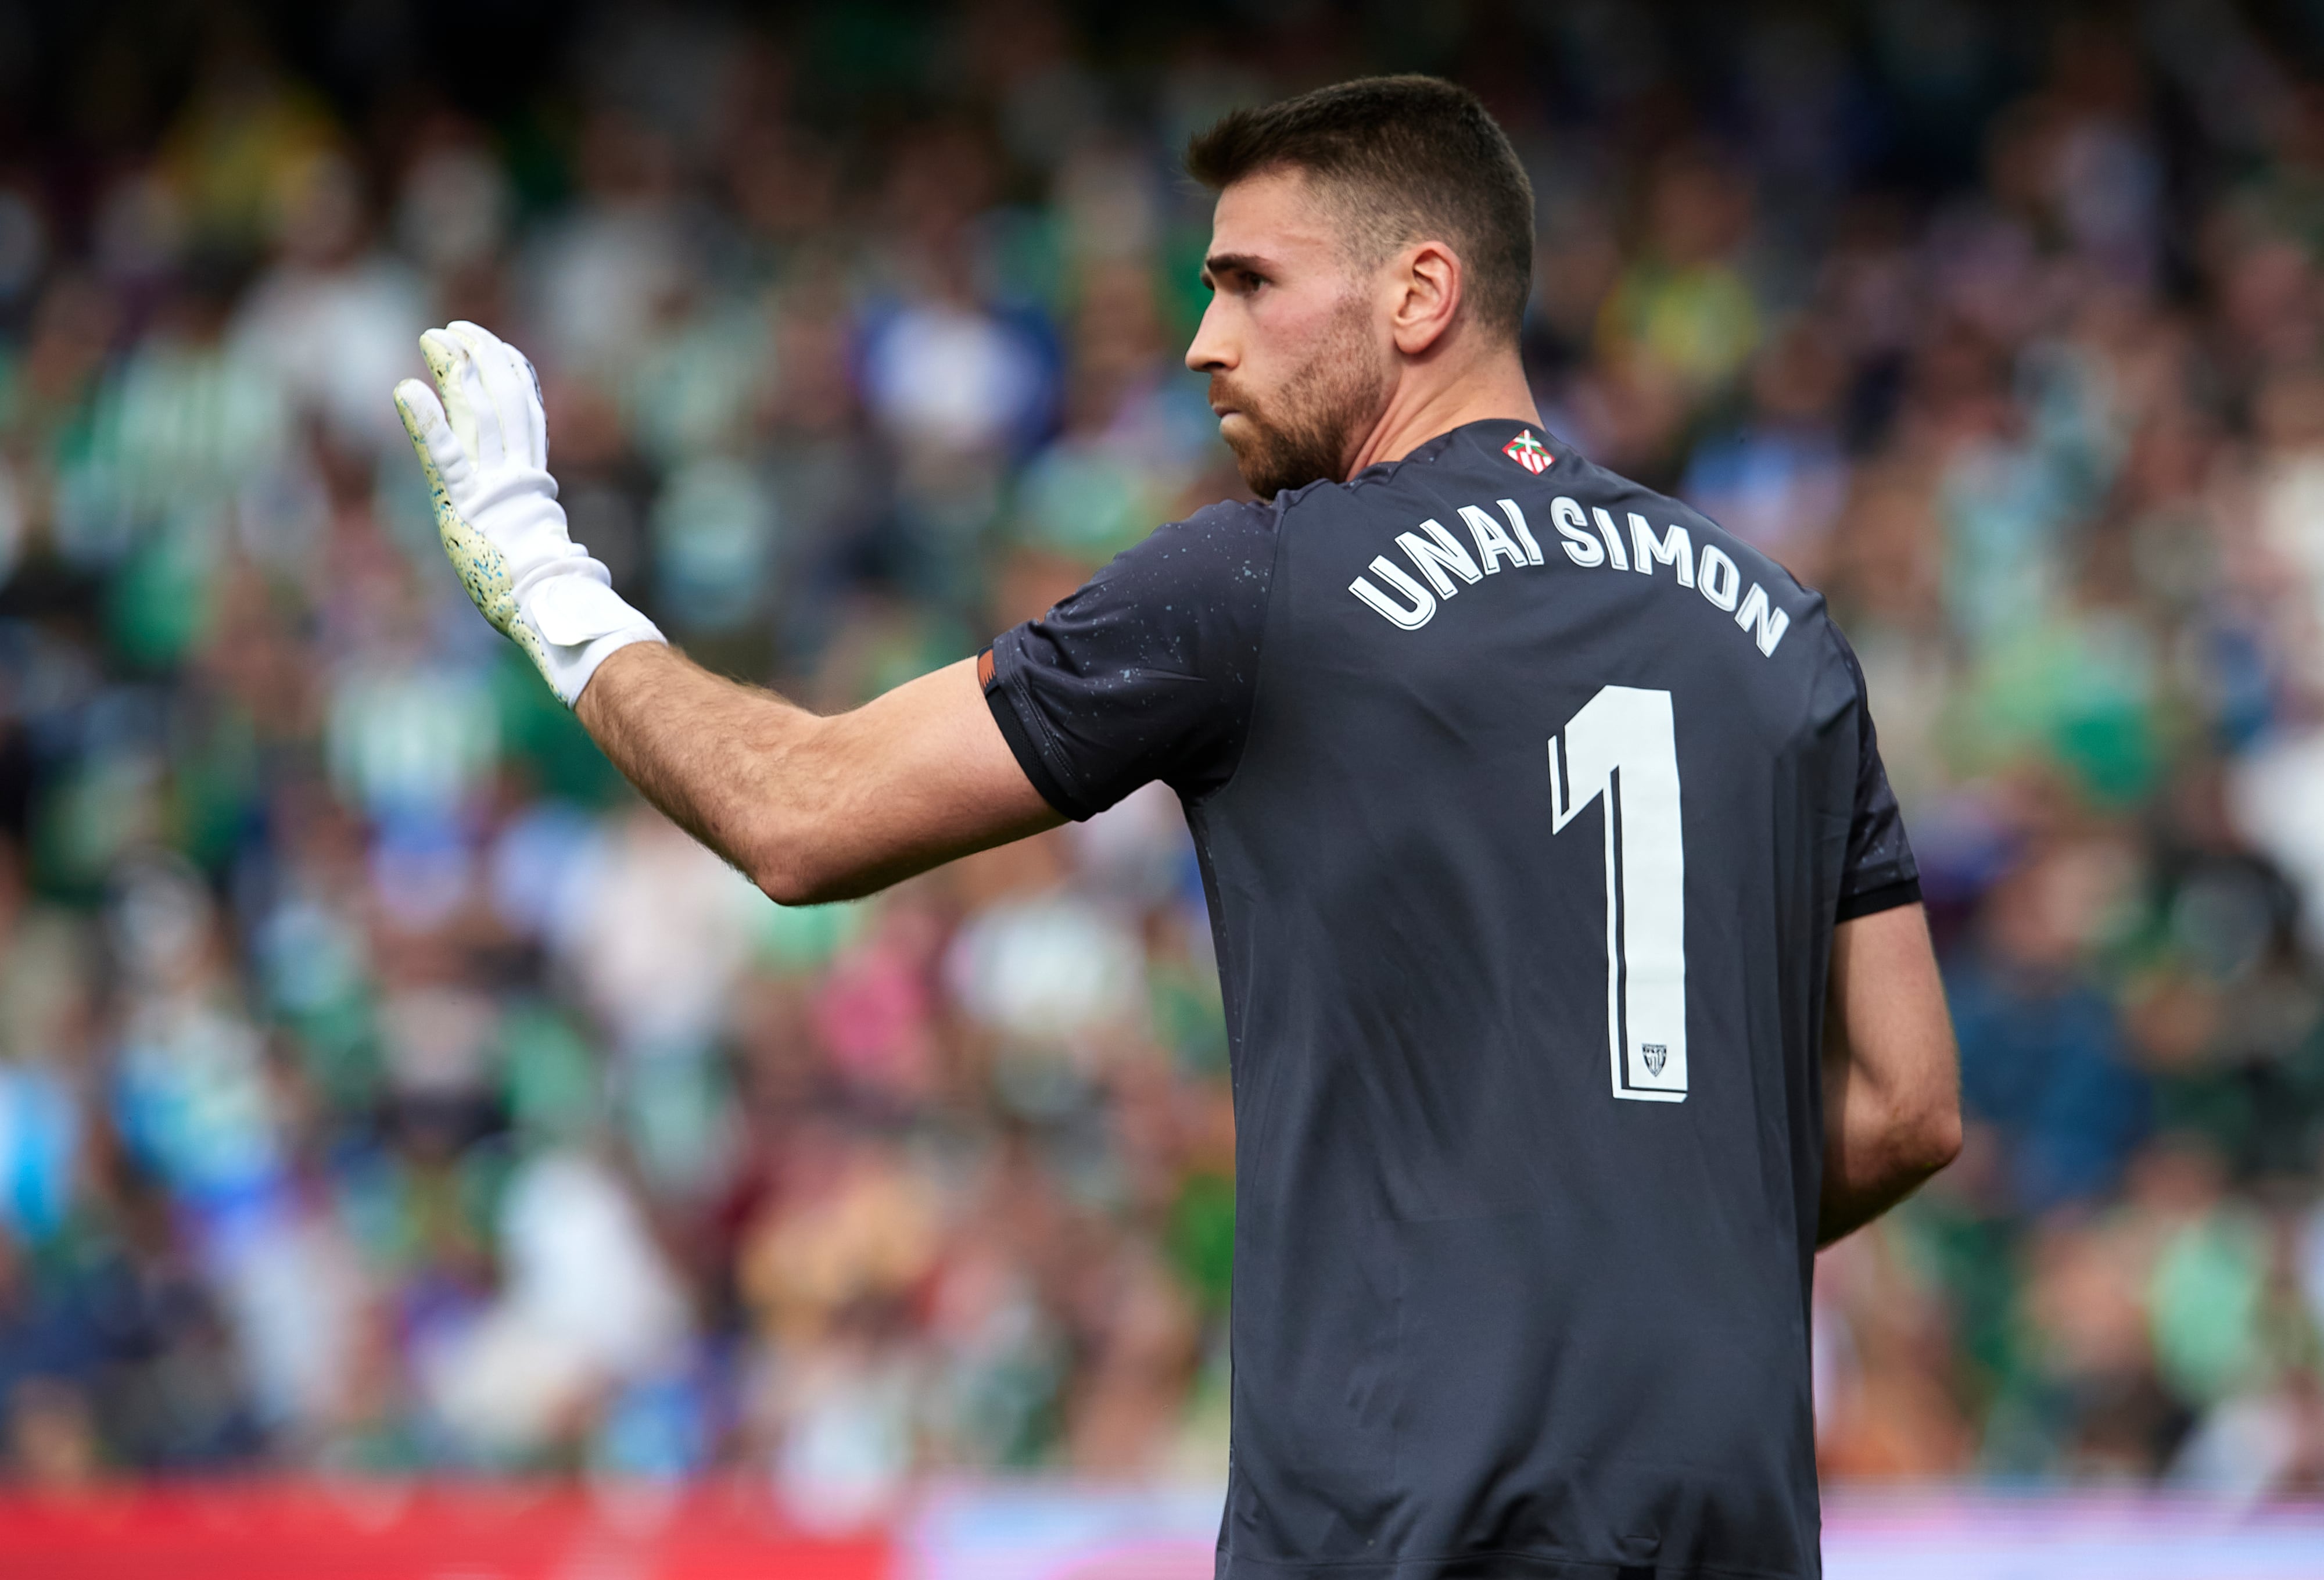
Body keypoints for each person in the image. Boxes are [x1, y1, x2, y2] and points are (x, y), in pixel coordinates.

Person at [393, 74, 1960, 1580]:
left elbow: (800, 815)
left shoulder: (1265, 581)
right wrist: (1637, 1210)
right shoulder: (1784, 628)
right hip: (1733, 1518)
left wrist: (544, 576)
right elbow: (1905, 1106)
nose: (1204, 343)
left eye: (1250, 284)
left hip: (1401, 1515)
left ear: (1419, 296)